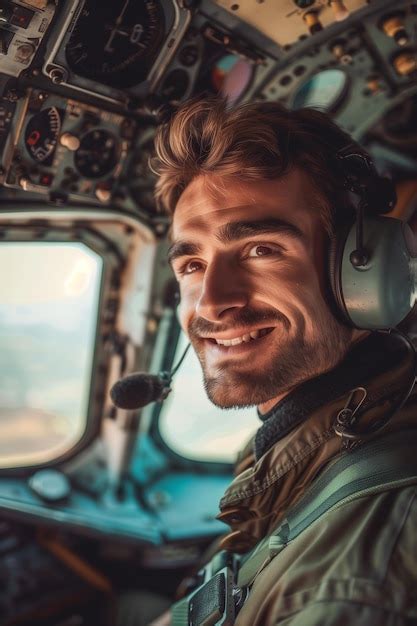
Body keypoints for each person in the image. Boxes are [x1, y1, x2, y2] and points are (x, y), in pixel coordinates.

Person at [119, 97, 417, 625]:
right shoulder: (317, 439)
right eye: (193, 263)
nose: (211, 302)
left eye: (260, 249)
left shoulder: (354, 587)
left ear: (362, 273)